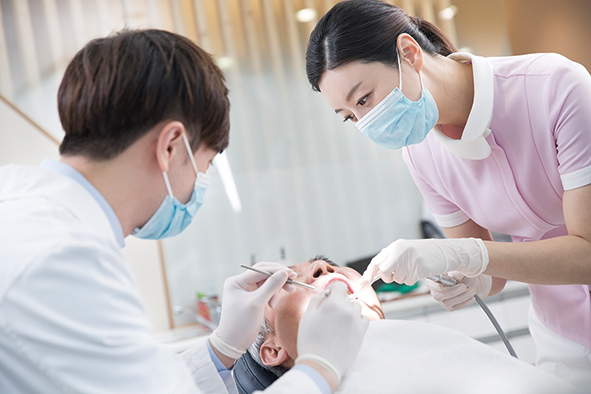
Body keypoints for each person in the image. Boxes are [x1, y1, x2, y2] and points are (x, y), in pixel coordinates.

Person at [0, 29, 369, 394]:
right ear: (171, 146)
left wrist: (221, 348)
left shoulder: (23, 206)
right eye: (205, 164)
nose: (200, 182)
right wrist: (320, 368)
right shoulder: (67, 262)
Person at [305, 0, 591, 389]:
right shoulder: (421, 155)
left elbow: (586, 253)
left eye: (364, 99)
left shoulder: (554, 87)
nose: (365, 123)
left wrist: (464, 255)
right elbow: (489, 275)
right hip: (562, 337)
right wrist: (462, 277)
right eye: (350, 117)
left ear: (409, 53)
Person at [237, 257, 577, 393]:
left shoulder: (418, 342)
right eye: (283, 285)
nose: (323, 270)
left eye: (326, 264)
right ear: (273, 350)